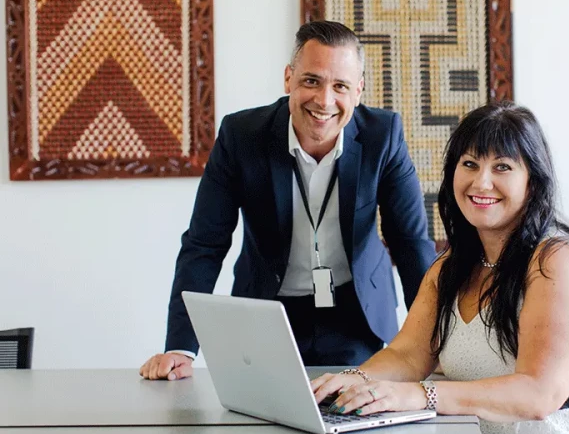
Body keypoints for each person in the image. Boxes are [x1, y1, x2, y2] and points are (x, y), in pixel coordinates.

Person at [311, 101, 569, 434]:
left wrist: (421, 395)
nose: (482, 182)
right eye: (470, 164)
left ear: (533, 181)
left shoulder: (560, 261)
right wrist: (350, 381)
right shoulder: (449, 268)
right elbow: (407, 356)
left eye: (502, 167)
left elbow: (538, 394)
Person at [139, 21, 437, 379]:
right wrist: (180, 347)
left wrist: (431, 344)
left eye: (340, 86)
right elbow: (204, 243)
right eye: (311, 80)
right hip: (268, 310)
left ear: (358, 91)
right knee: (262, 423)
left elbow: (410, 243)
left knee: (353, 421)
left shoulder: (383, 137)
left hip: (355, 312)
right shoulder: (241, 137)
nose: (324, 101)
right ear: (288, 79)